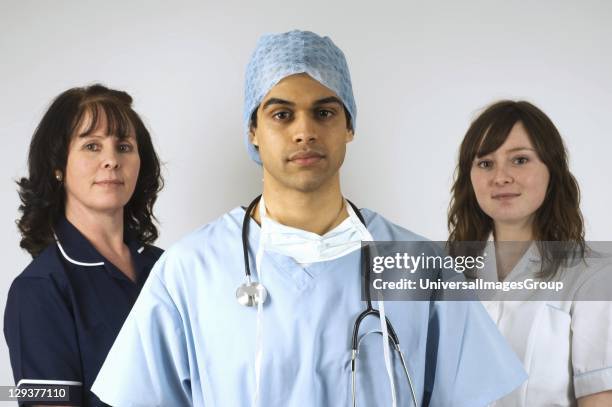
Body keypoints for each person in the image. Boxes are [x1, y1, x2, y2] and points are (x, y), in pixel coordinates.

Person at [92, 30, 525, 406]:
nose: (305, 131)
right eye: (282, 114)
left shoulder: (418, 265)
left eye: (324, 112)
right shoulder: (190, 271)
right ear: (253, 130)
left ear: (349, 126)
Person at [4, 84, 164, 406]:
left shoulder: (169, 268)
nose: (111, 160)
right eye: (92, 146)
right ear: (58, 166)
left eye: (124, 146)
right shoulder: (39, 289)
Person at [448, 100, 612, 406]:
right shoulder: (446, 273)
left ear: (553, 170)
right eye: (485, 163)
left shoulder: (594, 277)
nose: (501, 177)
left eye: (520, 160)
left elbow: (600, 397)